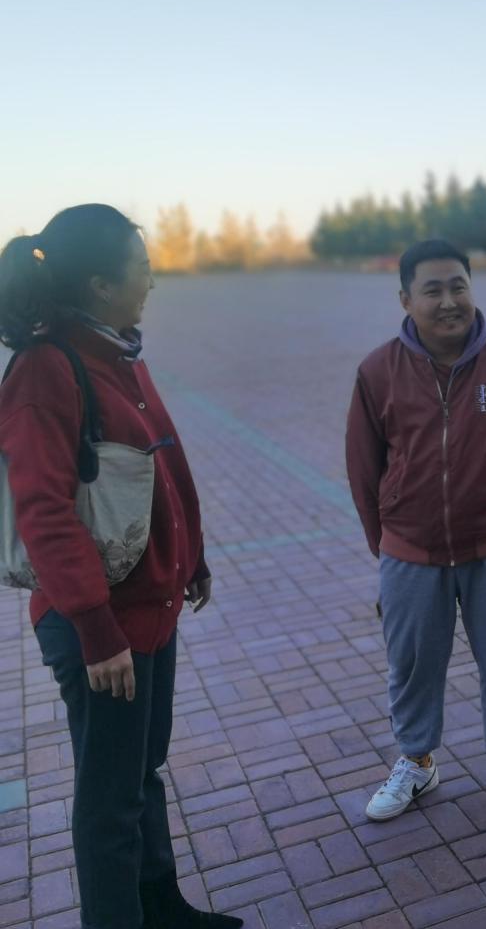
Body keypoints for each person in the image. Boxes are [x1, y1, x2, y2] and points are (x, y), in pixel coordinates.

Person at [0, 205, 240, 929]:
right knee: (108, 800)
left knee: (140, 771)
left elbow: (161, 459)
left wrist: (191, 558)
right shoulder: (47, 369)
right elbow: (43, 511)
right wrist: (97, 631)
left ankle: (159, 906)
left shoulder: (116, 352)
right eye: (142, 269)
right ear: (102, 284)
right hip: (101, 629)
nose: (152, 282)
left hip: (149, 607)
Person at [346, 238, 486, 831]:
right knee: (412, 662)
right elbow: (363, 466)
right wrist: (385, 541)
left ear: (472, 288)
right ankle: (416, 761)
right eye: (432, 290)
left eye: (458, 287)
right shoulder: (378, 371)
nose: (448, 302)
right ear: (405, 299)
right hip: (410, 550)